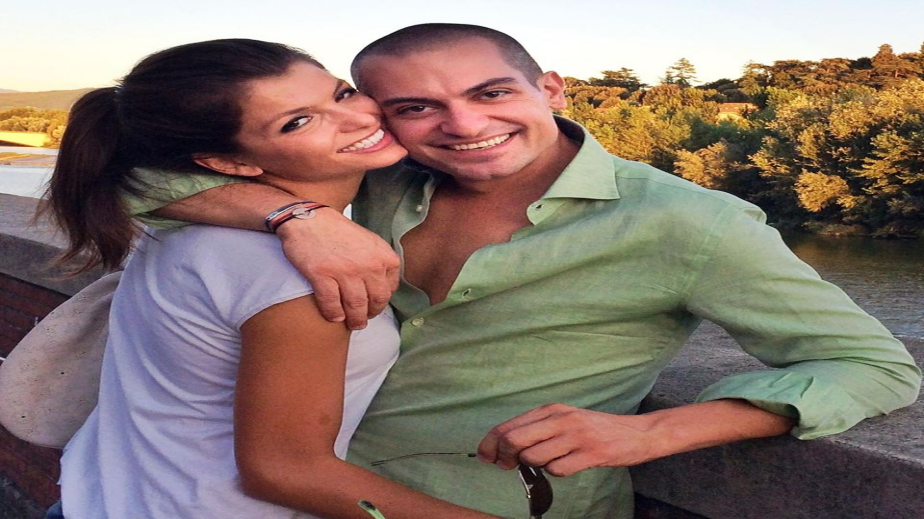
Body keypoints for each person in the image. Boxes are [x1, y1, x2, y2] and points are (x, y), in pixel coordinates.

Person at [113, 25, 920, 518]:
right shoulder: (380, 181)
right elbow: (128, 177)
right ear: (382, 117)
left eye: (492, 92)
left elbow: (874, 364)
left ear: (551, 88)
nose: (463, 125)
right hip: (320, 500)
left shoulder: (688, 221)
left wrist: (652, 431)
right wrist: (295, 214)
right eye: (416, 108)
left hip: (503, 503)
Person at [44, 38, 500, 519]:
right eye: (297, 122)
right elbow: (285, 472)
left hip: (99, 498)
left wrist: (297, 215)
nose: (358, 119)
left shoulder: (190, 227)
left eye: (342, 94)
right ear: (229, 164)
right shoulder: (304, 271)